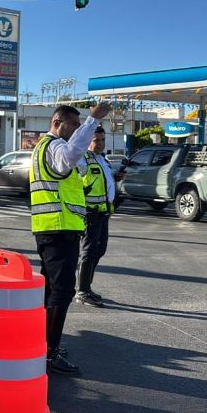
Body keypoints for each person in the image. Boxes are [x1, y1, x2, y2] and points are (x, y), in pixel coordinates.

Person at [29, 102, 111, 375]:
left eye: (79, 126)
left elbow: (72, 167)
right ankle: (49, 353)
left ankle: (42, 345)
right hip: (58, 228)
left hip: (54, 228)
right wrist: (92, 120)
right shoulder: (53, 146)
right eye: (73, 125)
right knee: (61, 292)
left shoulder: (46, 147)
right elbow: (68, 157)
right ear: (57, 123)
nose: (77, 131)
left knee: (51, 291)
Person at [76, 126, 119, 308]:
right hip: (90, 213)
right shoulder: (82, 159)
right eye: (96, 140)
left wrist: (117, 178)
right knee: (88, 251)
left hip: (103, 212)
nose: (101, 144)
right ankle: (82, 292)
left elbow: (103, 183)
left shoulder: (102, 160)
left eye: (102, 140)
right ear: (88, 141)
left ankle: (87, 287)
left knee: (99, 250)